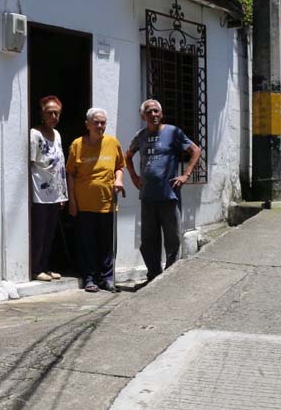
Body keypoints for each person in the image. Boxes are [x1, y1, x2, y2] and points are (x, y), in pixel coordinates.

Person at [125, 99, 202, 282]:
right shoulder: (140, 136)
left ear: (161, 114)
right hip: (148, 196)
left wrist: (186, 175)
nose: (153, 115)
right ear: (143, 116)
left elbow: (195, 150)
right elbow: (127, 156)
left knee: (172, 239)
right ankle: (153, 276)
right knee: (148, 240)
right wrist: (134, 177)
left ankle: (169, 279)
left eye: (156, 111)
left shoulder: (173, 132)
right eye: (149, 112)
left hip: (169, 195)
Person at [67, 108, 125, 293]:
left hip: (107, 202)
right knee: (87, 243)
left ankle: (106, 278)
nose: (100, 126)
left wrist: (118, 180)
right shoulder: (77, 145)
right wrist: (72, 201)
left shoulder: (113, 143)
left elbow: (119, 166)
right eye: (96, 122)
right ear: (87, 125)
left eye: (103, 123)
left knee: (106, 244)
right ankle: (90, 278)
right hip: (84, 204)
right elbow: (70, 174)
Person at [29, 95, 68, 282]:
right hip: (39, 192)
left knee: (50, 233)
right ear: (42, 114)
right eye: (50, 113)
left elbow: (60, 165)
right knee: (39, 232)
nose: (53, 116)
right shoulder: (35, 134)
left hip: (55, 193)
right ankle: (36, 268)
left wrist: (62, 194)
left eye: (57, 113)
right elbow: (31, 163)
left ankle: (45, 266)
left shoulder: (57, 134)